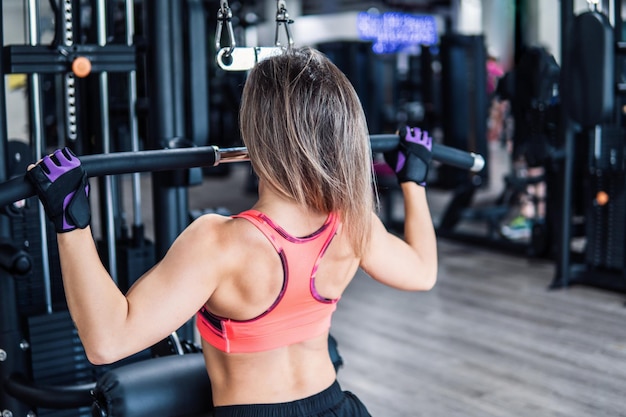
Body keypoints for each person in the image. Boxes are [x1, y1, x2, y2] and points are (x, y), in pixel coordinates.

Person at [26, 47, 437, 417]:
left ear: (255, 134)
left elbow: (107, 341)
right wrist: (413, 180)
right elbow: (422, 272)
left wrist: (71, 220)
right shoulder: (352, 221)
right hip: (337, 406)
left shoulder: (219, 243)